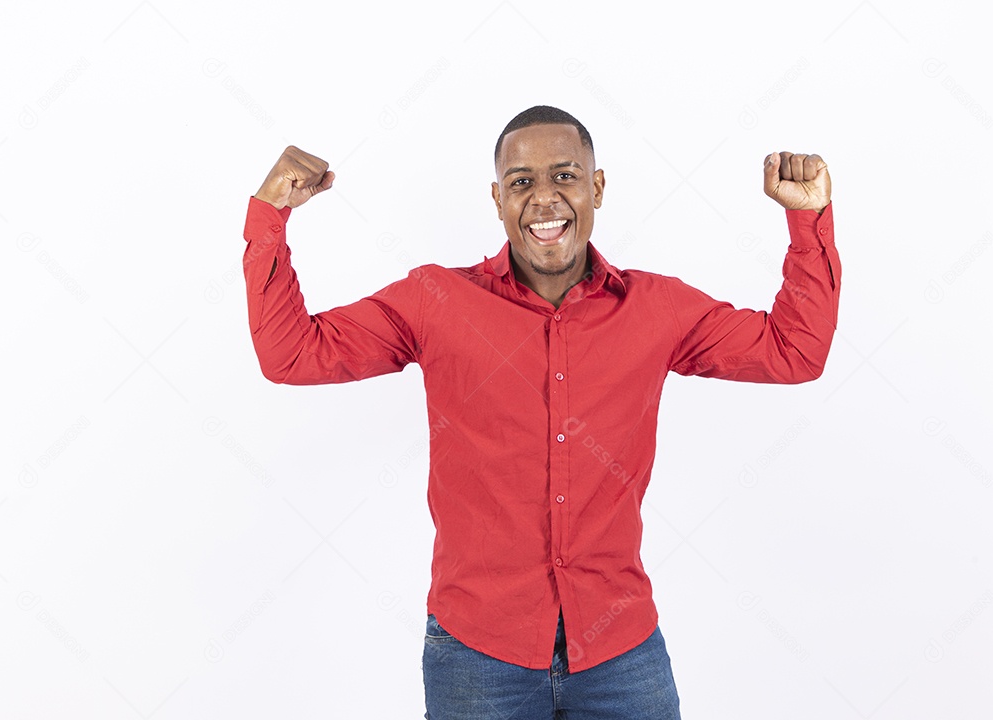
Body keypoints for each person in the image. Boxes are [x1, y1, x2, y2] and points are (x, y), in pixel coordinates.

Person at [241, 105, 840, 719]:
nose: (545, 199)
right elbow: (293, 354)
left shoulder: (656, 308)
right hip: (477, 653)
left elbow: (792, 352)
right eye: (522, 183)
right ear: (498, 199)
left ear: (597, 187)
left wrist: (807, 217)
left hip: (620, 649)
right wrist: (270, 216)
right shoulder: (436, 301)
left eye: (565, 176)